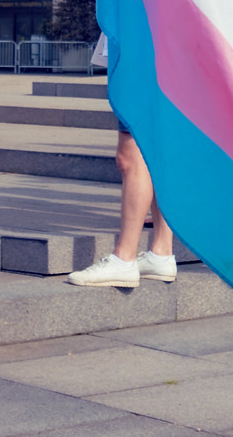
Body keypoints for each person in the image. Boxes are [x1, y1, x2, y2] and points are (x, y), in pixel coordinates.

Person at [67, 40, 177, 289]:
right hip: (163, 41)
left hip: (142, 41)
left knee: (131, 154)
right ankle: (161, 251)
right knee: (158, 147)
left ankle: (124, 258)